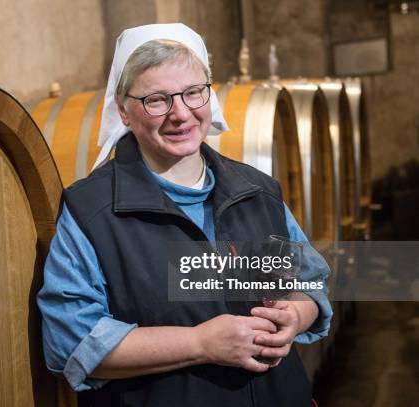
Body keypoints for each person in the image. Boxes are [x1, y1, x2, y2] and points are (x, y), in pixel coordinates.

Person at [37, 23, 332, 406]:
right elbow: (71, 342)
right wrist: (199, 344)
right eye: (156, 100)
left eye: (193, 93)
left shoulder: (256, 191)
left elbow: (309, 283)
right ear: (124, 111)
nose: (181, 114)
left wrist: (295, 315)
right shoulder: (92, 212)